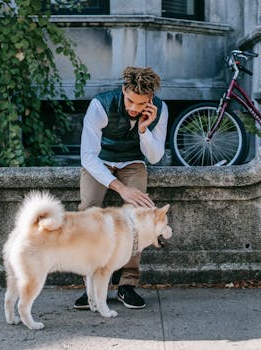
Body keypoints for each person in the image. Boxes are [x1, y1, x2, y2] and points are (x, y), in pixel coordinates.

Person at [74, 66, 168, 310]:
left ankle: (127, 283)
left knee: (139, 217)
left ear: (150, 99)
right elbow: (88, 156)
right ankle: (92, 286)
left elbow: (155, 157)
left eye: (142, 103)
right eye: (130, 101)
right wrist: (120, 188)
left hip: (133, 162)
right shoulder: (100, 105)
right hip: (100, 162)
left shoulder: (160, 109)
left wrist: (144, 129)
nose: (135, 108)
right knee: (88, 212)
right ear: (123, 89)